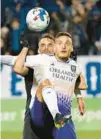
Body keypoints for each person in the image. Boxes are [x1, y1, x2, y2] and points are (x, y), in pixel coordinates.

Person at [0, 32, 86, 139]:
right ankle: (56, 114)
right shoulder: (36, 61)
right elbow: (15, 63)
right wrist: (25, 48)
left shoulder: (63, 63)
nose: (46, 48)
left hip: (55, 116)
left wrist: (79, 97)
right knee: (45, 83)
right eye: (42, 45)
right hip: (36, 113)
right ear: (38, 50)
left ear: (55, 48)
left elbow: (73, 81)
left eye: (50, 45)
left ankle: (56, 115)